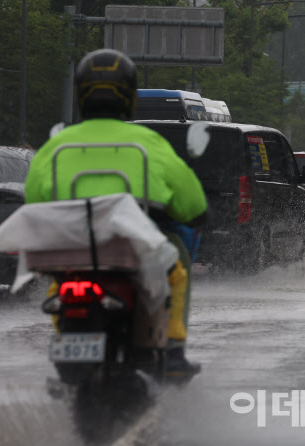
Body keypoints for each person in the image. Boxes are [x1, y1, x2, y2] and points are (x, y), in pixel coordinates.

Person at [25, 49, 208, 378]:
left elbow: (33, 203)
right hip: (134, 247)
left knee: (57, 285)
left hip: (72, 247)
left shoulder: (56, 145)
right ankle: (172, 352)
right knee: (177, 266)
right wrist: (192, 217)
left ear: (80, 92)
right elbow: (192, 204)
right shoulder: (148, 142)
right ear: (129, 94)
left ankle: (64, 341)